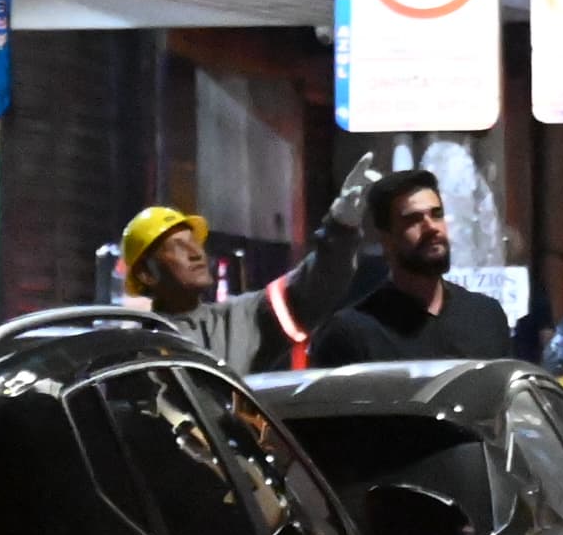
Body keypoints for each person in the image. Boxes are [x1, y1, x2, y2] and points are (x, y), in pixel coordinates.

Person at [120, 152, 380, 374]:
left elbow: (314, 287)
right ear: (146, 274)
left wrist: (341, 227)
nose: (196, 253)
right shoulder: (131, 350)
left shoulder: (240, 320)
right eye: (177, 247)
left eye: (195, 243)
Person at [304, 163, 521, 365]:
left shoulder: (486, 317)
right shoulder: (351, 333)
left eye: (437, 215)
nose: (431, 227)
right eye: (413, 219)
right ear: (386, 239)